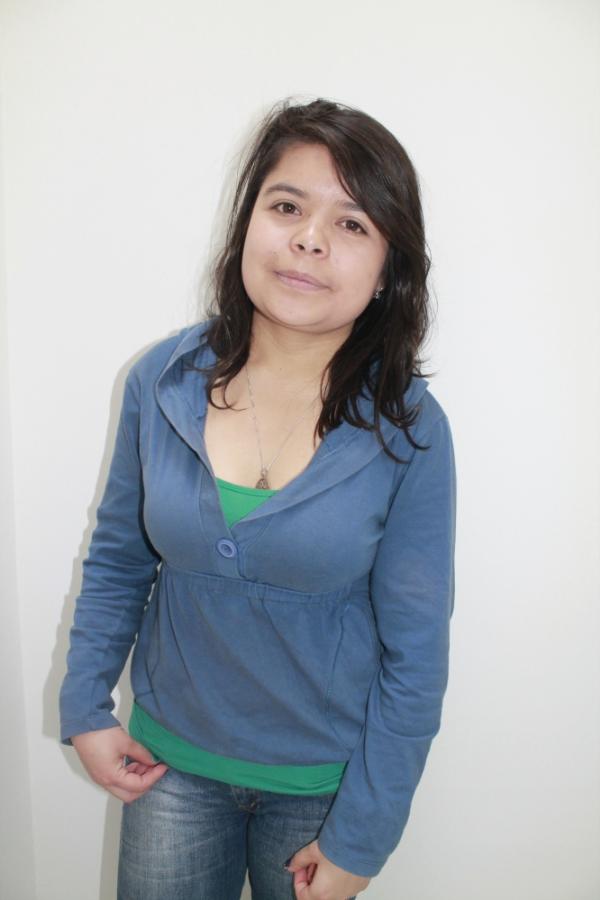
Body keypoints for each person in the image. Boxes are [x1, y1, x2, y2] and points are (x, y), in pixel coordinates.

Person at [59, 97, 457, 900]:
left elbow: (416, 658)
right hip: (168, 768)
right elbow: (118, 558)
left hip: (322, 793)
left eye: (352, 224)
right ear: (248, 223)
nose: (310, 238)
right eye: (287, 207)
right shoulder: (162, 380)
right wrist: (85, 704)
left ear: (388, 270)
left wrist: (363, 836)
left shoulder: (410, 430)